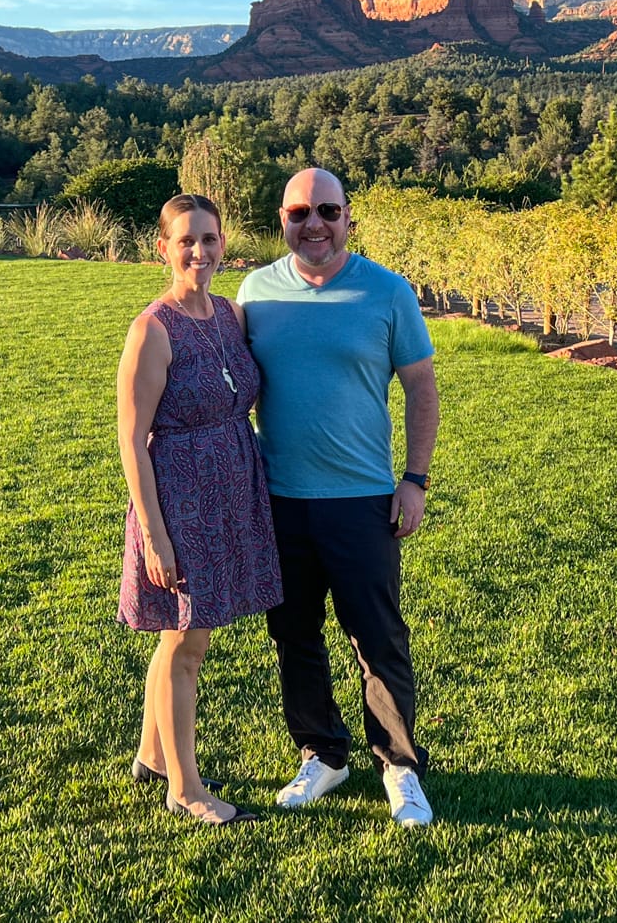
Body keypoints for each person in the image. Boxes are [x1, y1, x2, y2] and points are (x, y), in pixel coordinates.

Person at [236, 168, 440, 829]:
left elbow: (422, 387)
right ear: (282, 218)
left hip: (362, 499)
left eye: (327, 210)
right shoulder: (255, 292)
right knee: (293, 636)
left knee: (377, 638)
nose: (314, 223)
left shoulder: (387, 291)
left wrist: (415, 479)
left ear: (349, 216)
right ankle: (323, 752)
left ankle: (400, 766)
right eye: (300, 212)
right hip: (280, 499)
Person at [116, 193, 282, 827]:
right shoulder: (152, 328)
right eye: (186, 241)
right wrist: (155, 536)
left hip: (232, 483)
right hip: (179, 495)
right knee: (187, 639)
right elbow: (131, 439)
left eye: (209, 239)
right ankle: (184, 787)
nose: (199, 252)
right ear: (164, 249)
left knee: (180, 636)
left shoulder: (229, 314)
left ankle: (153, 754)